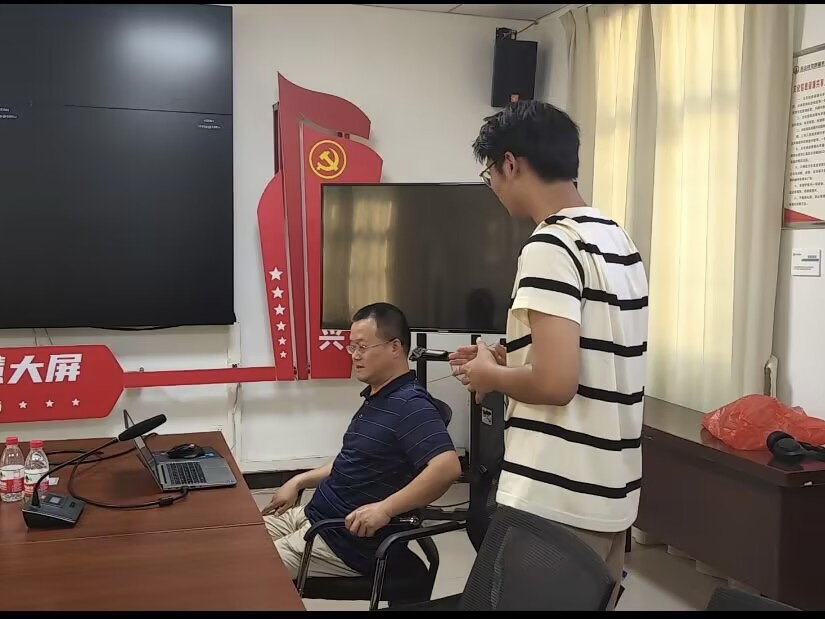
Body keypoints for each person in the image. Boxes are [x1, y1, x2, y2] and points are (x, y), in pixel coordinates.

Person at [450, 100, 649, 607]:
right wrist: (506, 359)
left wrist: (489, 376)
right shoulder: (616, 239)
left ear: (511, 163)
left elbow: (556, 383)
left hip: (556, 494)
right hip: (610, 491)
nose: (493, 186)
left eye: (490, 174)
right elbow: (595, 357)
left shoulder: (550, 246)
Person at [262, 302, 461, 580]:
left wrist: (385, 509)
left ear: (394, 347)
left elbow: (447, 468)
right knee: (233, 538)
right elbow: (354, 459)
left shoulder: (411, 404)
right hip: (314, 515)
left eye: (363, 347)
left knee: (243, 568)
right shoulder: (378, 397)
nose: (355, 355)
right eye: (352, 347)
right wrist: (298, 481)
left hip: (341, 542)